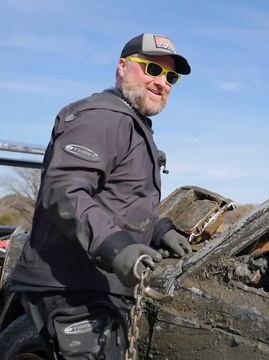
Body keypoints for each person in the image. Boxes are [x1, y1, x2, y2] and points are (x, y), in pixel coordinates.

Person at [9, 33, 193, 359]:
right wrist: (116, 246)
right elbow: (64, 190)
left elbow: (118, 201)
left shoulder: (134, 125)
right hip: (70, 287)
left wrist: (159, 229)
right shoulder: (100, 117)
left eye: (171, 76)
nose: (162, 82)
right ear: (123, 67)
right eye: (151, 68)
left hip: (98, 286)